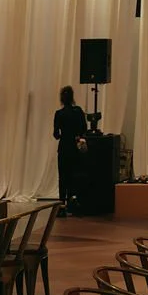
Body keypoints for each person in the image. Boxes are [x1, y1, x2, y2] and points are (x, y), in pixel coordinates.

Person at [53, 84, 87, 215]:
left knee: (63, 177)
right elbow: (83, 129)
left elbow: (56, 134)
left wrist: (63, 134)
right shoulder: (78, 111)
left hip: (63, 147)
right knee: (74, 175)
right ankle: (73, 202)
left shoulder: (59, 114)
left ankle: (61, 205)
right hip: (74, 147)